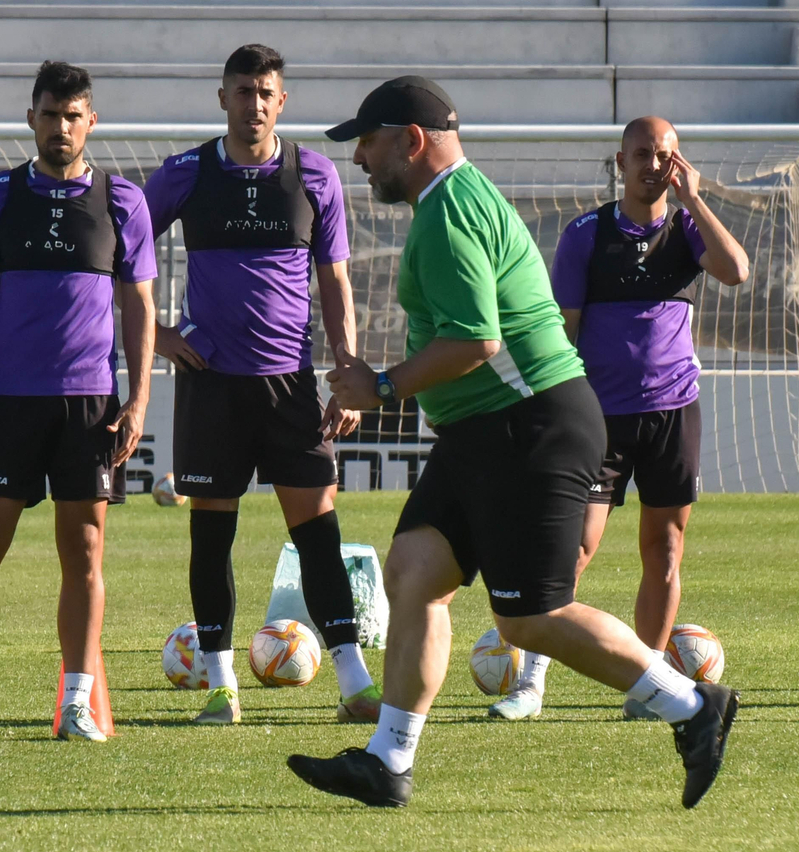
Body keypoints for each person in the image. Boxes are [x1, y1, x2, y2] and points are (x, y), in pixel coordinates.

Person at [285, 76, 739, 809]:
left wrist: (385, 387)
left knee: (529, 615)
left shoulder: (448, 215)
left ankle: (692, 705)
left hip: (528, 425)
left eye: (367, 142)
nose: (359, 158)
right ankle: (388, 761)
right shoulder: (453, 201)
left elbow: (476, 339)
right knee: (413, 570)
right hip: (486, 429)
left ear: (411, 139)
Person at [0, 61, 157, 743]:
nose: (60, 127)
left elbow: (139, 309)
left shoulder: (122, 201)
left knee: (84, 553)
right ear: (32, 119)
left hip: (90, 408)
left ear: (91, 122)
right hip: (11, 403)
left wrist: (138, 399)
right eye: (49, 114)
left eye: (73, 115)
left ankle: (76, 705)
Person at [141, 44, 377, 725]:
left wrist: (349, 369)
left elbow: (334, 281)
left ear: (282, 101)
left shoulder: (315, 175)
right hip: (212, 386)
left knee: (319, 535)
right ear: (222, 98)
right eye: (241, 91)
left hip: (291, 387)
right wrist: (156, 335)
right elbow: (118, 253)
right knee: (211, 538)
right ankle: (222, 688)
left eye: (264, 92)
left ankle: (355, 684)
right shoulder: (187, 173)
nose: (253, 104)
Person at [491, 116, 749, 721]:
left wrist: (696, 202)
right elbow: (563, 330)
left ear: (678, 163)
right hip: (597, 418)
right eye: (641, 154)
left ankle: (651, 685)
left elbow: (737, 270)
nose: (652, 165)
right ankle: (530, 684)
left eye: (665, 155)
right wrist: (552, 411)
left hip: (672, 414)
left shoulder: (689, 230)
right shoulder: (587, 234)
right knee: (571, 549)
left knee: (664, 548)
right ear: (619, 161)